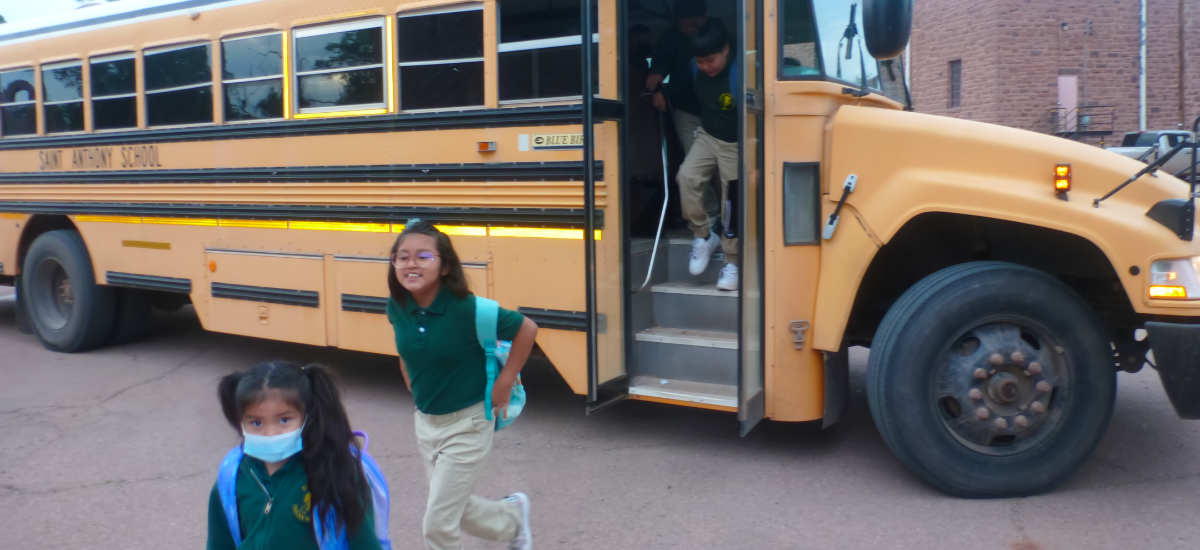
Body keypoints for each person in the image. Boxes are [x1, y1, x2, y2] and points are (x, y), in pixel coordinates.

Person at [385, 220, 537, 550]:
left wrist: (506, 380)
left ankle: (512, 521)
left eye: (423, 256)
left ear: (445, 266)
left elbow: (527, 328)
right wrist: (413, 382)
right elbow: (405, 348)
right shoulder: (398, 306)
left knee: (438, 524)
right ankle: (512, 519)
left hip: (467, 425)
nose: (411, 263)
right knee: (457, 508)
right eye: (402, 256)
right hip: (426, 425)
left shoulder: (468, 310)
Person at [206, 361, 382, 550]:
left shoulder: (335, 471)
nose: (270, 433)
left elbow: (364, 543)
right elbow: (219, 543)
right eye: (256, 423)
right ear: (241, 422)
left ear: (307, 417)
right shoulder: (231, 478)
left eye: (284, 420)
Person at [678, 18, 740, 291]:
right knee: (686, 178)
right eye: (700, 61)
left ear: (726, 49)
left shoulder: (742, 70)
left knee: (731, 202)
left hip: (736, 143)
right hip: (708, 135)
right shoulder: (695, 69)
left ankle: (732, 261)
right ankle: (703, 235)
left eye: (710, 60)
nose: (705, 67)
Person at [645, 0, 709, 155]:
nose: (692, 28)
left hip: (721, 108)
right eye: (686, 24)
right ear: (678, 22)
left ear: (704, 18)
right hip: (686, 109)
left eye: (696, 23)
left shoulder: (717, 32)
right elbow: (654, 78)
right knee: (696, 160)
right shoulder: (670, 40)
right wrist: (657, 91)